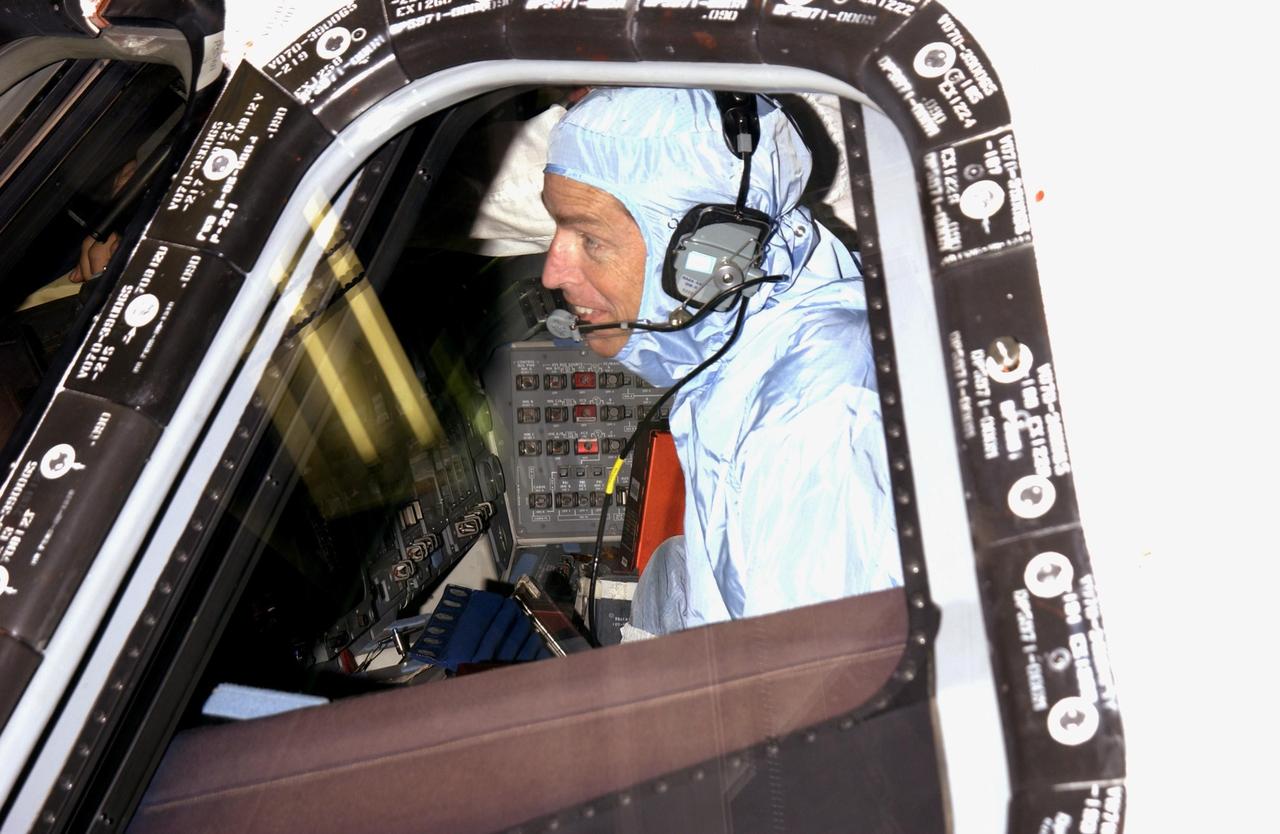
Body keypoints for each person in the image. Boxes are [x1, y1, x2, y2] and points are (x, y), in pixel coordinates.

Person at [540, 88, 902, 638]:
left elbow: (820, 705)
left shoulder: (816, 420)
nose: (552, 272)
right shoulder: (747, 354)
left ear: (709, 259)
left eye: (590, 238)